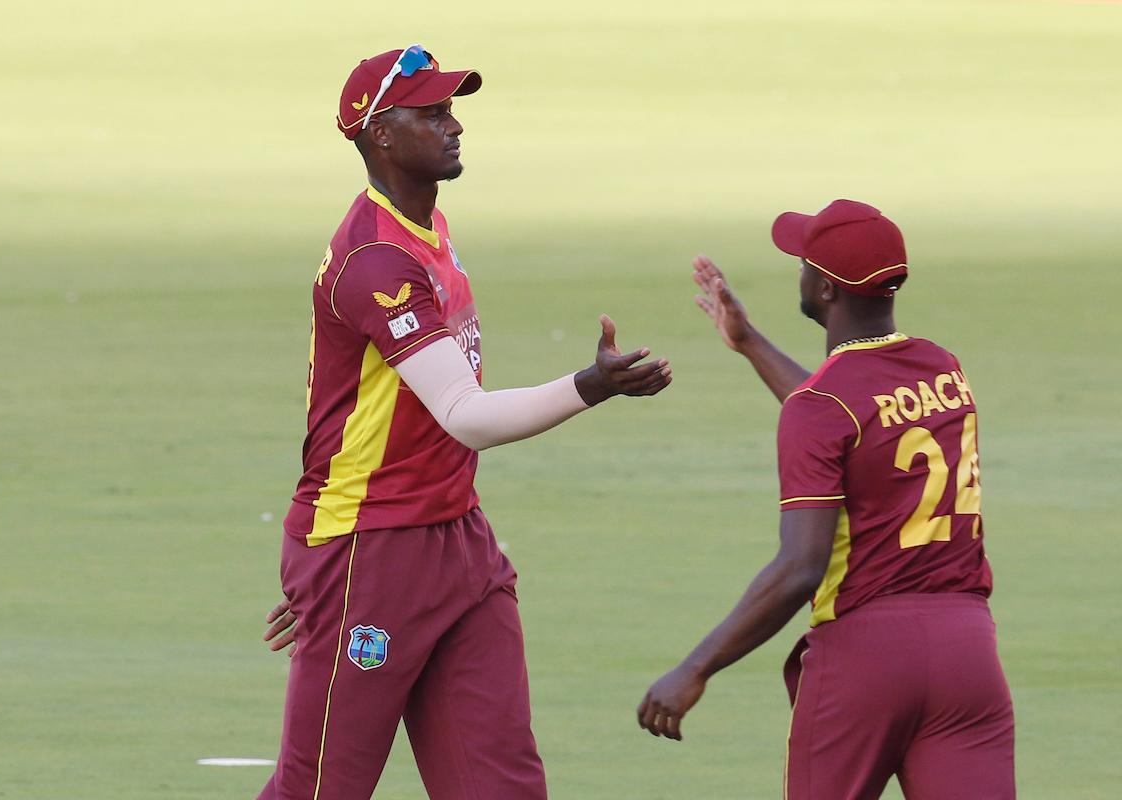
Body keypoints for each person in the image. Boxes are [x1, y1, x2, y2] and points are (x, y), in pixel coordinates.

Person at [257, 45, 672, 800]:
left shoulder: (427, 227)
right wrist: (591, 385)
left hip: (455, 541)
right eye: (434, 112)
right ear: (379, 133)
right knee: (319, 788)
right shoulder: (377, 258)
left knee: (502, 785)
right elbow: (464, 416)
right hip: (369, 548)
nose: (454, 125)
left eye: (453, 110)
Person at [636, 200, 1014, 799]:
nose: (799, 272)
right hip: (968, 653)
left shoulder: (820, 408)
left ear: (828, 289)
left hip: (867, 657)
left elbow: (800, 567)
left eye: (804, 262)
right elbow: (851, 419)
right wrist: (750, 342)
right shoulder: (943, 369)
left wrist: (695, 668)